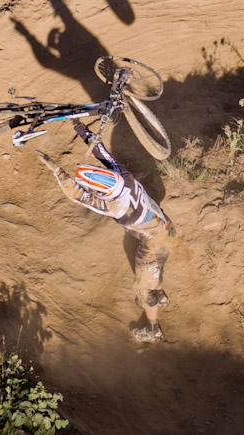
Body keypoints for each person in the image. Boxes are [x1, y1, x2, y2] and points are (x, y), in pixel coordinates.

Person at [36, 122, 175, 343]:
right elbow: (104, 155)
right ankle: (159, 293)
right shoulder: (126, 178)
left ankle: (153, 329)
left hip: (151, 243)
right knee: (158, 266)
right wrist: (83, 131)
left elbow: (78, 195)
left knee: (143, 289)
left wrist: (57, 171)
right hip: (166, 228)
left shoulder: (115, 207)